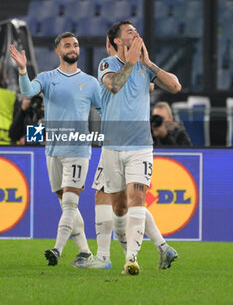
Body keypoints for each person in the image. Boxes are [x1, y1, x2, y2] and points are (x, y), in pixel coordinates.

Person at [96, 20, 181, 275]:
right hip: (112, 147)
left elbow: (175, 86)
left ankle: (131, 258)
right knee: (119, 208)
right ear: (119, 41)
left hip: (141, 146)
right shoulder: (107, 64)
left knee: (137, 199)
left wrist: (149, 64)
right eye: (130, 32)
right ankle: (151, 248)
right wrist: (132, 62)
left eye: (136, 30)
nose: (136, 34)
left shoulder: (145, 68)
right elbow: (114, 85)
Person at [10, 32, 101, 267]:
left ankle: (57, 249)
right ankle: (85, 254)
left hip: (79, 149)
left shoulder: (91, 82)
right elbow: (28, 91)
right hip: (53, 149)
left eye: (76, 45)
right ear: (57, 51)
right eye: (67, 45)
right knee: (66, 205)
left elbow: (105, 109)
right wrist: (22, 71)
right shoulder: (47, 78)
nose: (73, 48)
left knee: (70, 202)